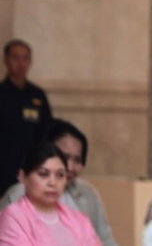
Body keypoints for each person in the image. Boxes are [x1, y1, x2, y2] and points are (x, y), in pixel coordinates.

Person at [0, 119, 117, 245]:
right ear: (23, 177)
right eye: (43, 174)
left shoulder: (78, 217)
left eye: (60, 175)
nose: (52, 183)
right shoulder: (14, 214)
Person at [0, 40, 52, 194]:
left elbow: (46, 132)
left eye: (25, 58)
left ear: (30, 61)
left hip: (31, 169)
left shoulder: (37, 95)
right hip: (3, 169)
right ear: (6, 60)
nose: (21, 63)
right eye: (16, 58)